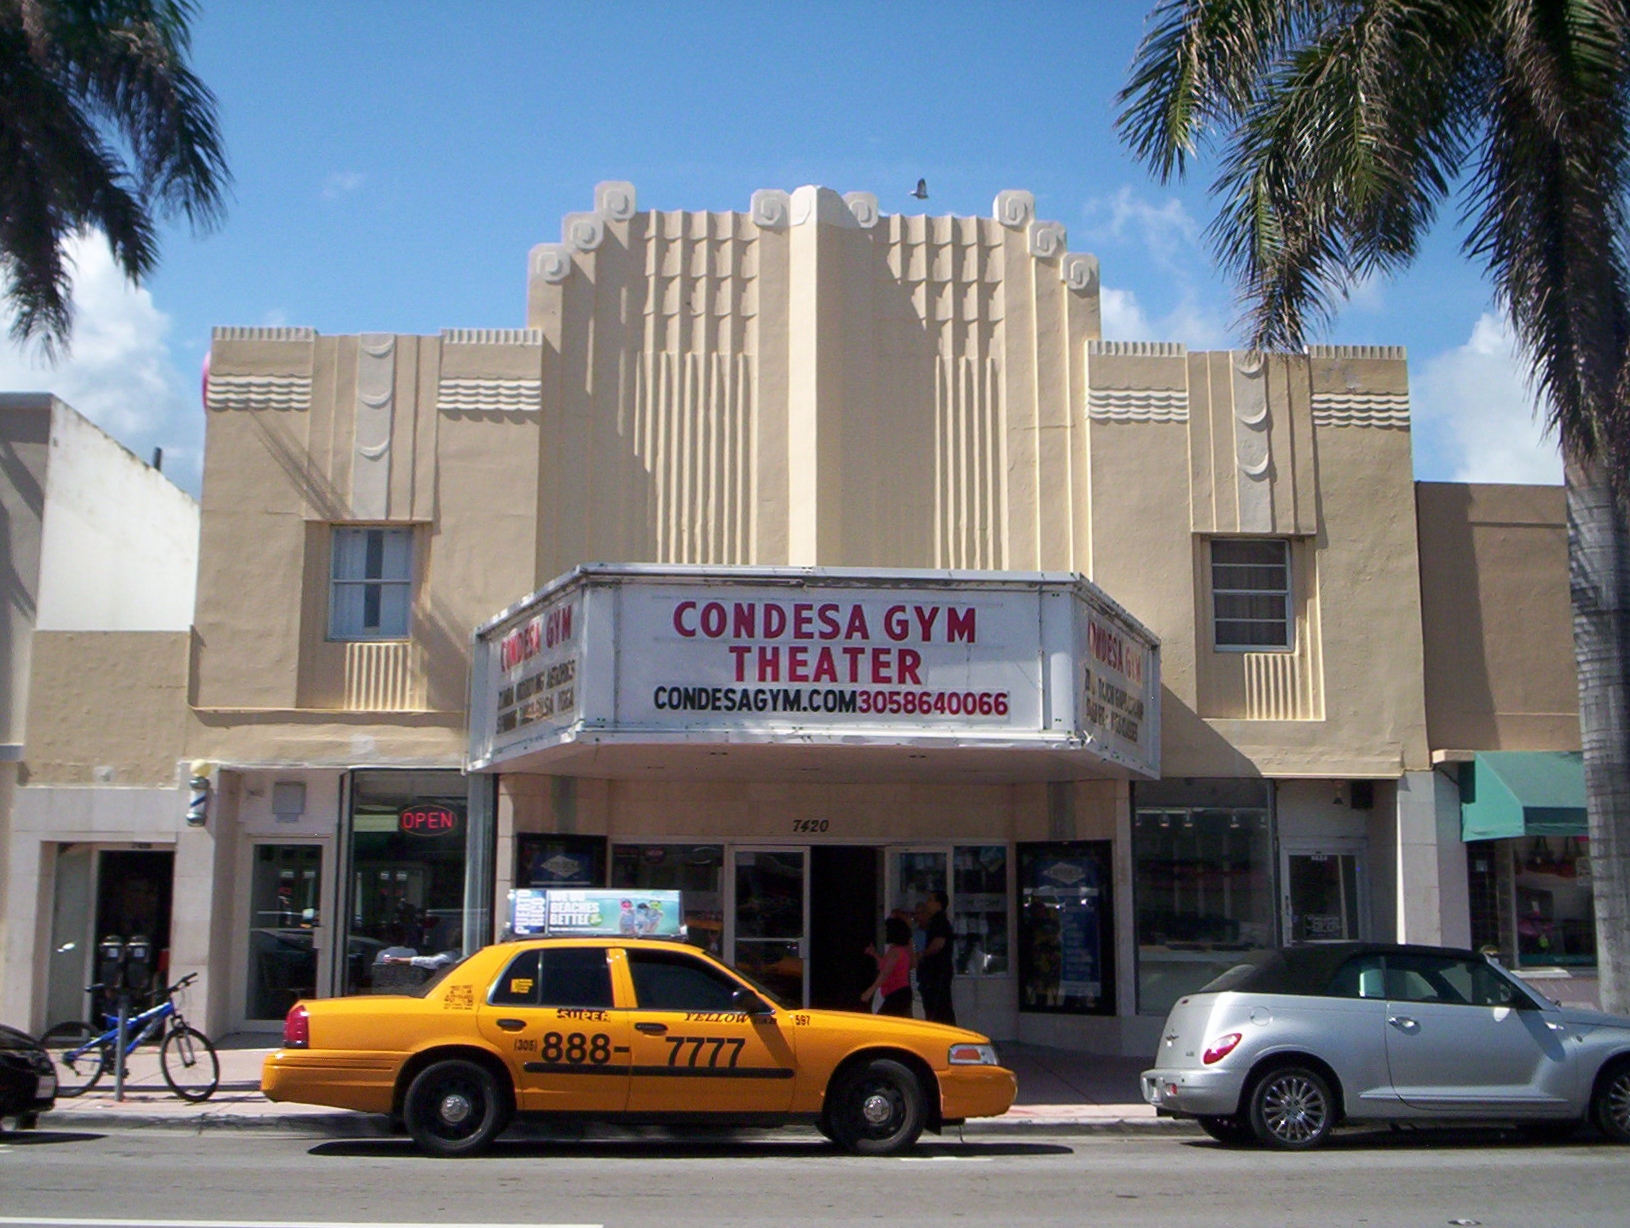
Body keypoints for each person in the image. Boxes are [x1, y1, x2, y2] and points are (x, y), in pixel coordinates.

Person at [862, 916, 915, 1017]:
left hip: (898, 993)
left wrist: (870, 991)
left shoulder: (896, 952)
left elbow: (886, 972)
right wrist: (874, 954)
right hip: (895, 992)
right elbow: (885, 965)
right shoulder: (894, 949)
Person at [917, 890, 956, 1025]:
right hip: (935, 972)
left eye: (930, 900)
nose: (927, 903)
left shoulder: (940, 921)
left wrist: (922, 954)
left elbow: (939, 943)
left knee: (938, 1007)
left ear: (938, 904)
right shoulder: (935, 921)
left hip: (937, 972)